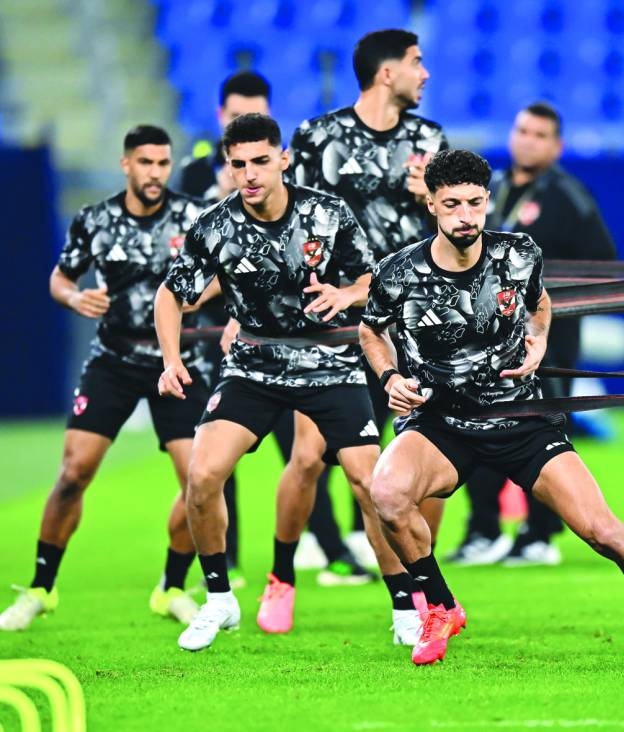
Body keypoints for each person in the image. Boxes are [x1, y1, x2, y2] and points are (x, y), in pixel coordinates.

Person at [359, 149, 624, 666]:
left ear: (487, 200)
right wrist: (389, 377)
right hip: (440, 422)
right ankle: (440, 605)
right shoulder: (398, 271)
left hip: (520, 419)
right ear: (431, 204)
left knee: (602, 532)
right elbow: (370, 329)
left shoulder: (519, 254)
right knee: (387, 492)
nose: (465, 216)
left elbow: (539, 302)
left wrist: (538, 338)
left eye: (475, 203)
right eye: (451, 205)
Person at [155, 113, 421, 652]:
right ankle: (219, 599)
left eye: (260, 161)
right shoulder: (214, 225)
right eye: (238, 165)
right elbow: (170, 293)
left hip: (330, 366)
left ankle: (403, 607)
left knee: (371, 486)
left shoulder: (327, 213)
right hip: (253, 367)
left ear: (283, 159)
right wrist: (170, 360)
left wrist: (346, 295)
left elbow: (372, 277)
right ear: (228, 167)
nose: (250, 174)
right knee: (202, 476)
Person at [0, 126, 211, 631]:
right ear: (126, 165)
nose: (155, 173)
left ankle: (172, 587)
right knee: (74, 472)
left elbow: (224, 272)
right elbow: (60, 277)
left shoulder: (194, 218)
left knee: (200, 482)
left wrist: (200, 297)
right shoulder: (95, 220)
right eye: (145, 163)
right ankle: (41, 588)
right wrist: (75, 297)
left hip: (177, 362)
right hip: (113, 360)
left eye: (163, 163)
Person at [179, 70, 371, 587]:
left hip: (288, 332)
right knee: (215, 458)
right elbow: (190, 268)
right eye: (238, 114)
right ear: (221, 119)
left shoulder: (297, 186)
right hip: (220, 336)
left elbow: (299, 257)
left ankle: (329, 548)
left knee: (304, 453)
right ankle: (226, 563)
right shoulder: (195, 181)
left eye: (257, 114)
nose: (250, 170)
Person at [288, 27, 449, 550]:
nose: (424, 73)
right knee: (309, 455)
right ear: (387, 72)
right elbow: (290, 224)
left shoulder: (429, 140)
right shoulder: (316, 137)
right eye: (416, 62)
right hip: (334, 314)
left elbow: (460, 228)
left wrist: (433, 199)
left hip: (413, 317)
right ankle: (293, 561)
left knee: (430, 444)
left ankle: (418, 574)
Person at [448, 101, 616, 567]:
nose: (528, 140)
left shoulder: (570, 197)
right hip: (485, 340)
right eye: (522, 130)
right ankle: (483, 530)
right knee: (478, 427)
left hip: (548, 343)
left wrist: (542, 296)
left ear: (557, 146)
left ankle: (539, 534)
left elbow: (602, 263)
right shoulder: (492, 190)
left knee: (545, 431)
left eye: (540, 135)